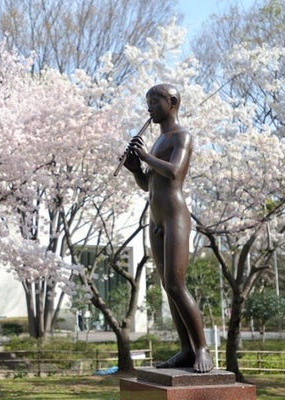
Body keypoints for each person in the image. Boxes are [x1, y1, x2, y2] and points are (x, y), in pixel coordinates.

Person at [123, 83, 213, 373]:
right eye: (147, 102)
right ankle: (186, 350)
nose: (149, 107)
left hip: (175, 215)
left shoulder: (181, 136)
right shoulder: (158, 141)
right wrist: (136, 169)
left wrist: (146, 157)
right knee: (167, 286)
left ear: (172, 102)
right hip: (156, 219)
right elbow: (148, 184)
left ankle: (201, 348)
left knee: (176, 284)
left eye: (154, 101)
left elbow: (174, 172)